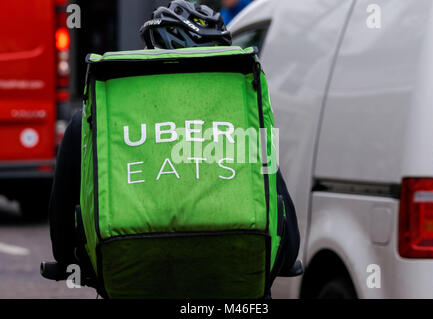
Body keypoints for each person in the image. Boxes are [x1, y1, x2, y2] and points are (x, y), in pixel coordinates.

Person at [48, 0, 299, 291]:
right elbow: (287, 234)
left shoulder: (92, 121)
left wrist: (71, 261)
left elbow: (63, 234)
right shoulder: (243, 118)